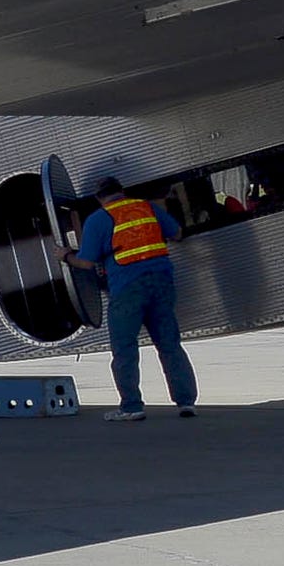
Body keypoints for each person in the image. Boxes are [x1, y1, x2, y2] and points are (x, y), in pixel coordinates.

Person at [69, 178, 197, 420]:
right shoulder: (148, 208)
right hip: (161, 282)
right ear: (122, 191)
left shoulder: (98, 219)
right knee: (170, 344)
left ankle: (132, 407)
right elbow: (178, 233)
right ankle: (186, 403)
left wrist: (65, 255)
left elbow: (85, 262)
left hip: (127, 287)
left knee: (125, 349)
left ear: (99, 198)